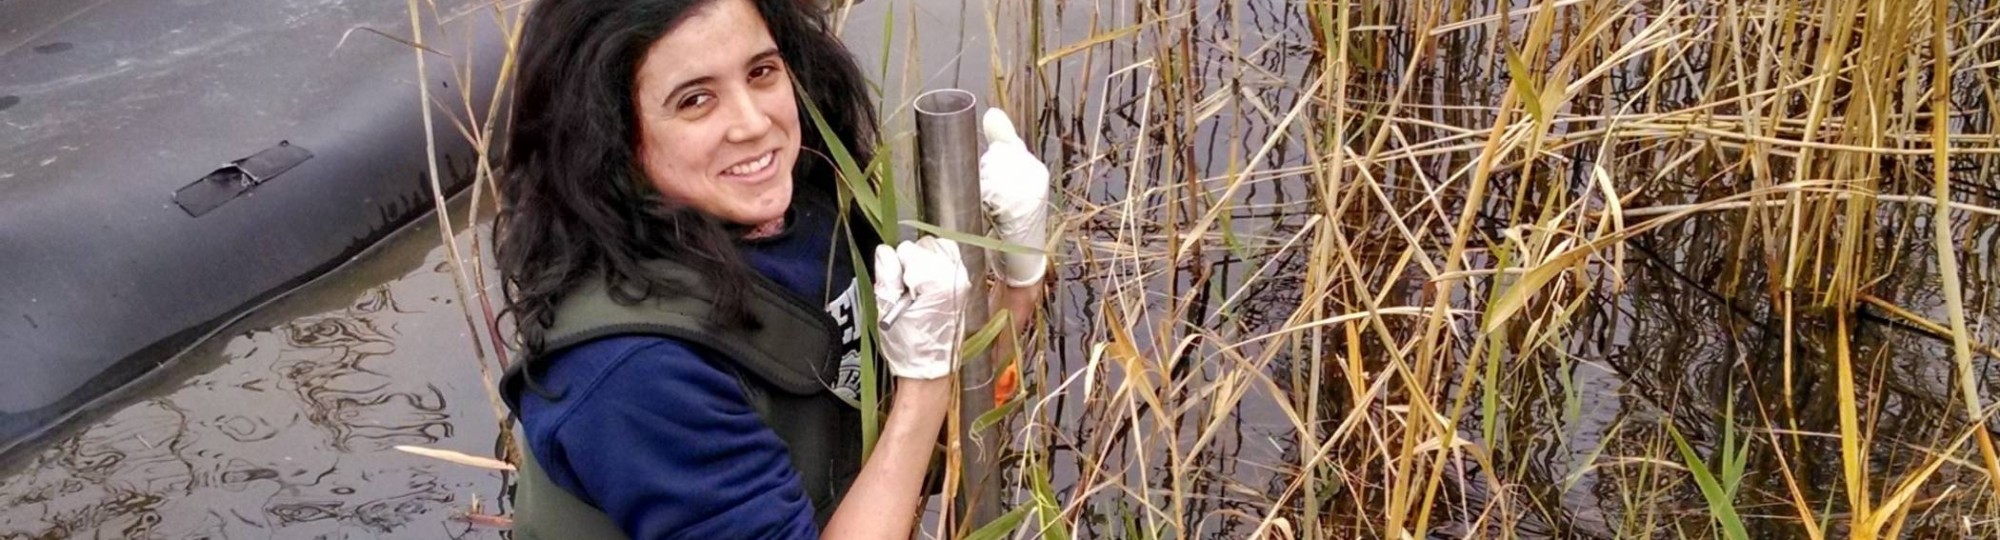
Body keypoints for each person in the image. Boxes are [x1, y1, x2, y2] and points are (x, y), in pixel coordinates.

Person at [492, 0, 1051, 538]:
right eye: (694, 100)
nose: (754, 123)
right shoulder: (635, 372)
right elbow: (916, 417)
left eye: (761, 71)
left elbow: (917, 450)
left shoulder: (799, 219)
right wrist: (923, 383)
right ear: (612, 134)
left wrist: (1017, 277)